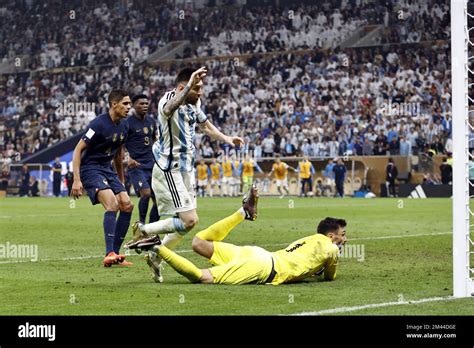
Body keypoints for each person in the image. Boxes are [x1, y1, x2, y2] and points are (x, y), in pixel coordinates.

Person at [127, 67, 244, 283]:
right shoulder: (167, 100)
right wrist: (190, 84)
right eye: (196, 88)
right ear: (183, 86)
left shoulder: (194, 104)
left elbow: (205, 126)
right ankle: (144, 230)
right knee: (189, 220)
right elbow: (171, 107)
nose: (200, 92)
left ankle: (156, 255)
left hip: (186, 168)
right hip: (169, 167)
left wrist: (226, 138)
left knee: (189, 221)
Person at [127, 185, 346, 285]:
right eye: (342, 235)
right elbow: (330, 277)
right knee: (200, 276)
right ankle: (156, 245)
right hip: (263, 268)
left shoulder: (308, 239)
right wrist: (330, 262)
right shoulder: (330, 248)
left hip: (258, 254)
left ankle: (243, 212)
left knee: (199, 242)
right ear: (330, 235)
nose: (344, 239)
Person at [71, 89, 134, 267]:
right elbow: (78, 150)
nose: (129, 107)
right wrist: (77, 180)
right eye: (125, 104)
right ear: (114, 104)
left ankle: (115, 254)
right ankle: (109, 253)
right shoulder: (97, 124)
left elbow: (118, 153)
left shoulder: (125, 125)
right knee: (113, 204)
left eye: (129, 104)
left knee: (127, 205)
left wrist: (121, 179)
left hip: (108, 169)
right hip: (90, 169)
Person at [125, 94, 160, 225]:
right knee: (145, 194)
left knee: (158, 200)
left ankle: (152, 228)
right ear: (133, 106)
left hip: (152, 164)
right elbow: (120, 144)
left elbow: (154, 139)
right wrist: (128, 158)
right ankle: (141, 224)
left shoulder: (151, 121)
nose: (145, 106)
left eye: (146, 104)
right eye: (141, 104)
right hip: (137, 165)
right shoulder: (127, 123)